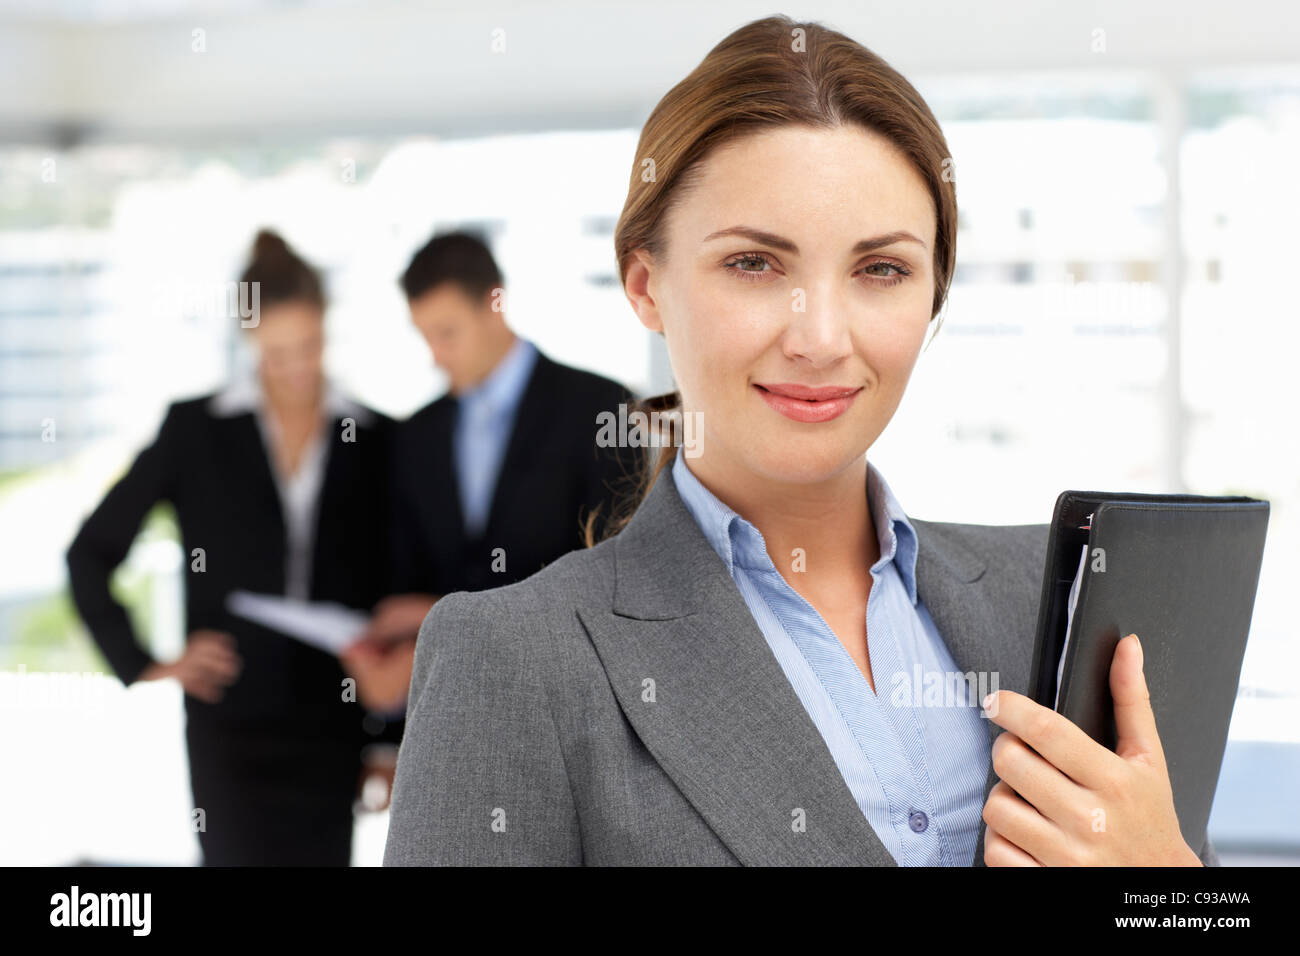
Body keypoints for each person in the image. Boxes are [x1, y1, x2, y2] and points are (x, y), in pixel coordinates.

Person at [382, 16, 1217, 866]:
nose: (819, 337)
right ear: (645, 284)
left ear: (932, 297)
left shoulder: (1062, 593)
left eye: (881, 270)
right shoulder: (516, 659)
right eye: (755, 264)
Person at [67, 229, 397, 865]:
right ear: (248, 343)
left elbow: (391, 587)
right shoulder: (195, 432)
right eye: (277, 353)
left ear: (328, 326)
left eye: (309, 345)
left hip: (333, 724)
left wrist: (386, 740)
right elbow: (90, 552)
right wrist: (143, 662)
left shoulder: (375, 436)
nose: (298, 367)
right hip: (229, 722)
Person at [350, 231, 641, 668]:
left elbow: (616, 576)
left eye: (447, 334)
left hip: (564, 683)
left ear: (494, 304)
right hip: (448, 692)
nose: (435, 357)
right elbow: (405, 574)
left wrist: (440, 612)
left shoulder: (600, 407)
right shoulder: (419, 433)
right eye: (424, 336)